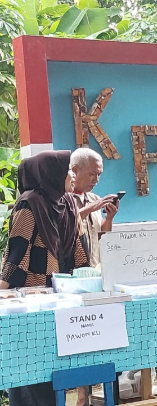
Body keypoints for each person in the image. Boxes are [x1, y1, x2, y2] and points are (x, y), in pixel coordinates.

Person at [0, 150, 90, 405]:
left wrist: (86, 281)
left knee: (43, 358)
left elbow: (78, 246)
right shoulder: (32, 204)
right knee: (38, 359)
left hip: (50, 297)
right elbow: (19, 249)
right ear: (52, 174)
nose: (72, 175)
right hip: (40, 296)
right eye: (68, 171)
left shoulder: (67, 202)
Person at [70, 147, 119, 267]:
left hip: (95, 268)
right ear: (75, 170)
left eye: (99, 174)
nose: (96, 180)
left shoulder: (94, 199)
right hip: (72, 271)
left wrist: (109, 218)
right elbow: (66, 223)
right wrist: (90, 208)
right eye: (92, 174)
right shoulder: (63, 199)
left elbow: (102, 236)